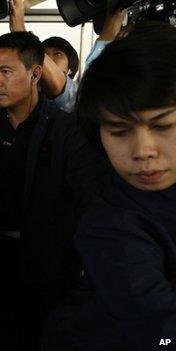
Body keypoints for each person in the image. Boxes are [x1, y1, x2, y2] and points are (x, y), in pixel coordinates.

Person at [0, 30, 104, 350]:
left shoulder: (67, 131)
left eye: (6, 72)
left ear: (35, 73)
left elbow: (88, 200)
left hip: (52, 272)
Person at [41, 22, 176, 351]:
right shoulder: (111, 226)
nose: (143, 150)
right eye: (118, 131)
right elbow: (160, 332)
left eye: (163, 126)